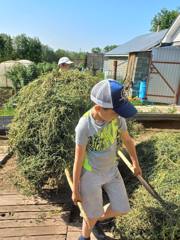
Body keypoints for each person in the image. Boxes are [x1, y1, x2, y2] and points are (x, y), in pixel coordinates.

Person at [72, 79, 142, 240]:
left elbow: (127, 140)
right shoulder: (84, 125)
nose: (118, 114)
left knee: (122, 208)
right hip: (91, 174)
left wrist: (135, 163)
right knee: (91, 213)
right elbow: (79, 157)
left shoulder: (117, 118)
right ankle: (84, 236)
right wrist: (75, 189)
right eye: (115, 111)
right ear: (98, 108)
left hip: (111, 170)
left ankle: (94, 218)